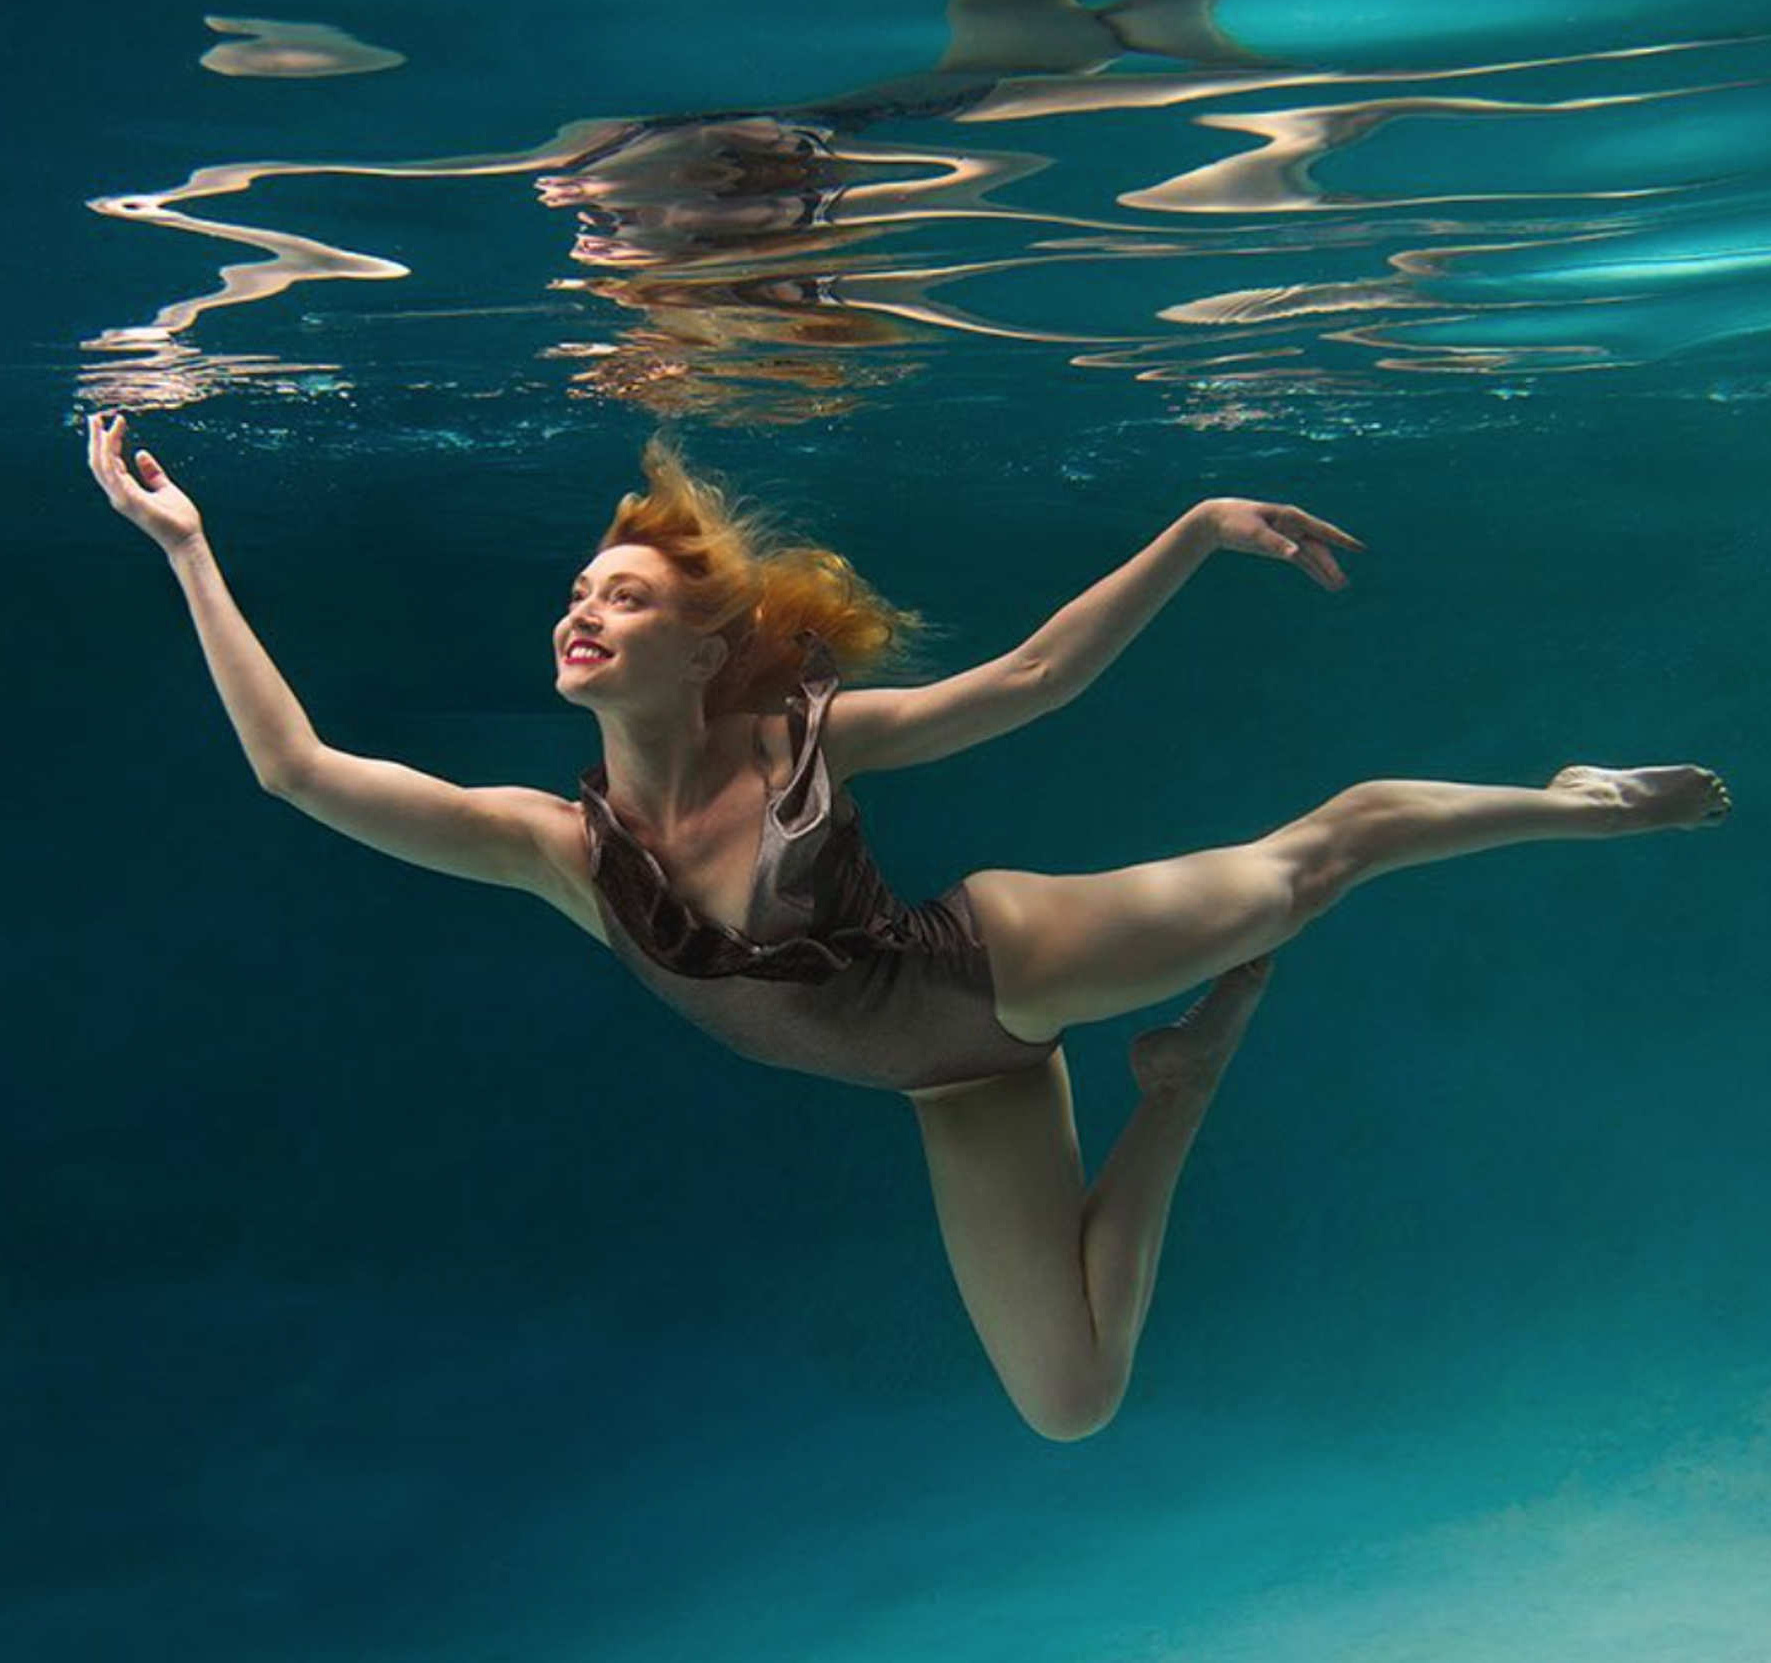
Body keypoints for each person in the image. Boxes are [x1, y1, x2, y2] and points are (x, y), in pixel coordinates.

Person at [84, 410, 1732, 1441]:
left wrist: (1194, 532)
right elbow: (299, 772)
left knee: (1320, 864)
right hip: (945, 1085)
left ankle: (1566, 795)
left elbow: (1024, 683)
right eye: (578, 590)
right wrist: (191, 547)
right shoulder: (555, 850)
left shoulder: (804, 733)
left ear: (702, 640)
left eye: (625, 595)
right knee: (1074, 1404)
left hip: (994, 970)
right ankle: (1182, 1088)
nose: (582, 608)